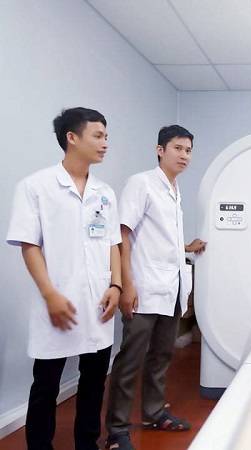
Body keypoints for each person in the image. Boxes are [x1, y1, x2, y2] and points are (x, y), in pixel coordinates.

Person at [6, 107, 121, 450]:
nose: (105, 143)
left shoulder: (105, 192)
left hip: (99, 303)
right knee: (46, 386)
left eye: (106, 136)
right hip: (57, 301)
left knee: (94, 382)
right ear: (72, 138)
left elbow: (112, 243)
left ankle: (87, 444)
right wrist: (49, 294)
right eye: (98, 136)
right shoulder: (36, 187)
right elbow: (29, 245)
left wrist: (116, 284)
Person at [105, 125, 206, 450]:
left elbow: (160, 237)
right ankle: (117, 431)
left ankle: (153, 413)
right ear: (160, 150)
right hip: (144, 289)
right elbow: (122, 234)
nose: (184, 155)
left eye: (188, 150)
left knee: (161, 356)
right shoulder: (142, 183)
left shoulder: (174, 190)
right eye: (178, 148)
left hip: (172, 289)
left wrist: (186, 247)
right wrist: (126, 285)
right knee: (130, 360)